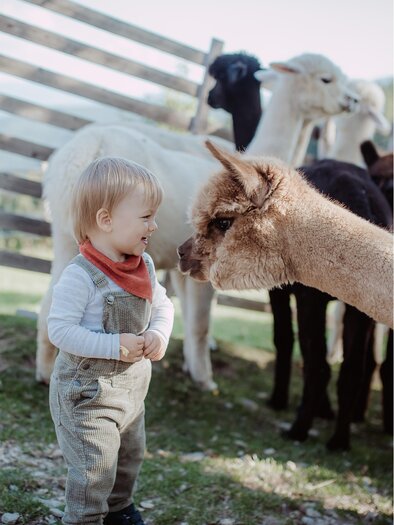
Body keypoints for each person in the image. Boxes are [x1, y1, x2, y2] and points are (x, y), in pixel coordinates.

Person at [47, 157, 174, 525]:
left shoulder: (144, 266)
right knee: (94, 469)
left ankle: (118, 510)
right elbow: (60, 330)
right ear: (106, 220)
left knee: (129, 458)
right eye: (146, 217)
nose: (154, 225)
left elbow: (162, 304)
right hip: (86, 396)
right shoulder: (80, 276)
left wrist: (158, 333)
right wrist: (113, 343)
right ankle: (85, 518)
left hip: (131, 395)